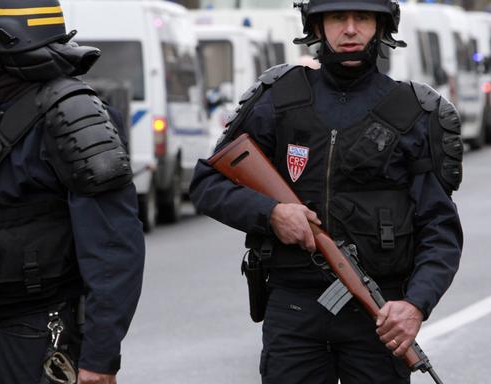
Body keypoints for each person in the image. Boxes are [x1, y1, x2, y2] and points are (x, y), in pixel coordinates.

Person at [189, 0, 464, 382]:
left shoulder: (415, 112)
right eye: (337, 17)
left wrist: (415, 305)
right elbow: (207, 184)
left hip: (379, 316)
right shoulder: (278, 99)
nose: (350, 29)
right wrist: (271, 214)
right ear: (316, 27)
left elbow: (441, 229)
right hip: (294, 311)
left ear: (381, 27)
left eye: (362, 18)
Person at [0, 1, 144, 383]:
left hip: (45, 336)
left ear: (6, 42)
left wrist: (100, 357)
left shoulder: (75, 118)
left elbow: (114, 247)